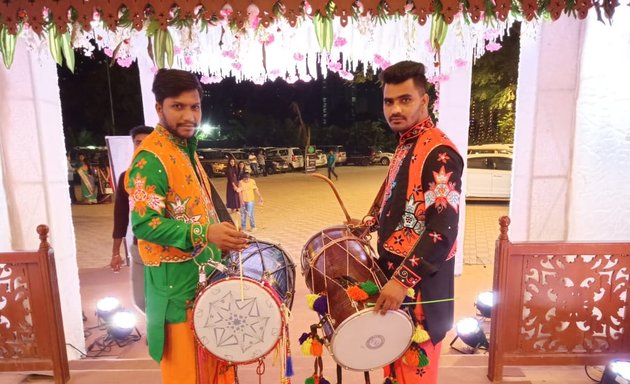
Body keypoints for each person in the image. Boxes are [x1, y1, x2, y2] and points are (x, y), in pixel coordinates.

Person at [125, 68, 248, 384]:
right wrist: (204, 233)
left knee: (215, 371)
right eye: (178, 107)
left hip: (203, 282)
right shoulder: (150, 158)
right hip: (176, 294)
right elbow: (145, 225)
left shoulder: (185, 150)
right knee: (189, 375)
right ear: (159, 109)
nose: (189, 115)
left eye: (194, 107)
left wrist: (224, 233)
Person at [369, 61, 463, 384]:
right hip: (397, 288)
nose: (395, 109)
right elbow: (396, 199)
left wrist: (401, 281)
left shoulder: (440, 154)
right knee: (395, 374)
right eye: (389, 101)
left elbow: (442, 231)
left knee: (414, 376)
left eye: (405, 100)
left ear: (425, 101)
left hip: (418, 292)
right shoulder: (406, 144)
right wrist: (368, 222)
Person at [110, 125, 154, 313]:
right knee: (141, 300)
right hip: (140, 247)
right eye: (138, 142)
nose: (142, 146)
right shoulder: (126, 178)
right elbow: (120, 217)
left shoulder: (168, 176)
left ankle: (166, 339)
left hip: (170, 248)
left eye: (148, 142)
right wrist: (115, 252)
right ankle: (155, 332)